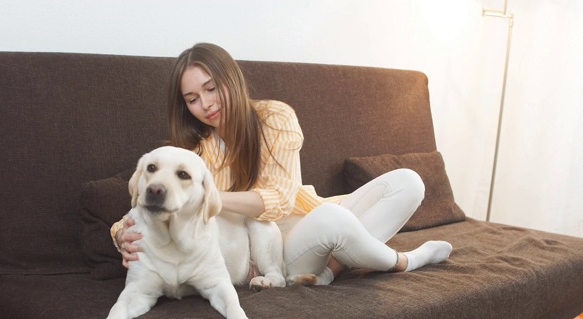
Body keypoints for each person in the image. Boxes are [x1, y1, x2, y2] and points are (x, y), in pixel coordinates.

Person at [111, 43, 452, 285]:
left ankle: (332, 271)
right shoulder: (197, 152)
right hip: (278, 251)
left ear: (230, 78)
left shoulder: (275, 116)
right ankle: (405, 261)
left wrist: (206, 195)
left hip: (313, 217)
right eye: (193, 99)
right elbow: (154, 203)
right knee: (335, 220)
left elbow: (281, 199)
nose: (206, 104)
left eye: (211, 89)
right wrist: (121, 233)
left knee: (408, 181)